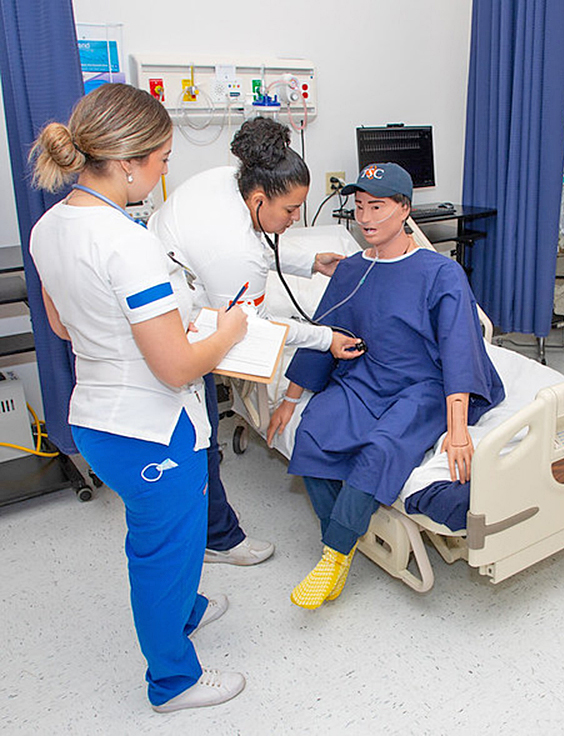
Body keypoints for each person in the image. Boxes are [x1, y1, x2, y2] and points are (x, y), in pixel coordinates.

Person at [28, 83, 248, 712]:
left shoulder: (51, 226)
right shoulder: (129, 242)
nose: (164, 168)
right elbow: (177, 367)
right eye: (162, 157)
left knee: (162, 537)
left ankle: (188, 607)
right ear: (128, 163)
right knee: (161, 551)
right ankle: (172, 681)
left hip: (98, 418)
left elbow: (67, 326)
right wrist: (228, 330)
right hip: (149, 425)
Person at [266, 163, 504, 609]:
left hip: (423, 386)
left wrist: (457, 430)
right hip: (365, 378)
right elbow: (325, 332)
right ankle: (342, 535)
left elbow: (458, 350)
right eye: (358, 207)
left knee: (381, 448)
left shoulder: (439, 273)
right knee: (314, 430)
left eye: (378, 206)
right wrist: (290, 399)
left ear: (404, 210)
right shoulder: (351, 269)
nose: (366, 217)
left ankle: (334, 553)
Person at [149, 117, 360, 567]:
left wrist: (310, 261)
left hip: (173, 295)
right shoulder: (235, 252)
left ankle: (206, 532)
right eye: (290, 211)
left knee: (192, 436)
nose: (296, 218)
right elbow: (254, 327)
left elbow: (261, 240)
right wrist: (325, 339)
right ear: (260, 197)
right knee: (198, 436)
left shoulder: (230, 181)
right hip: (177, 325)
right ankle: (218, 539)